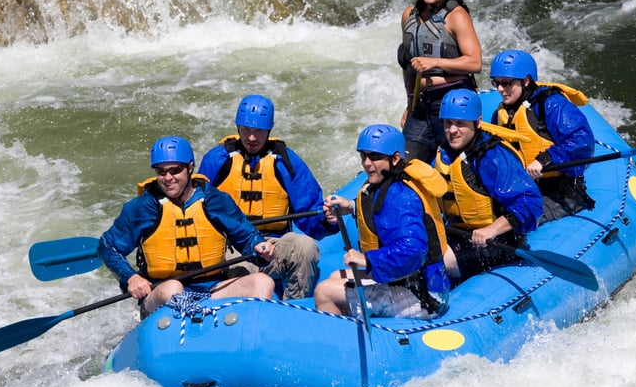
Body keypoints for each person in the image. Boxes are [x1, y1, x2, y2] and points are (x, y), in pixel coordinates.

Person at [97, 136, 276, 316]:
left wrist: (259, 246)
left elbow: (246, 236)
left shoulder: (215, 200)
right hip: (162, 293)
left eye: (175, 170)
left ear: (190, 168)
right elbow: (107, 246)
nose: (168, 178)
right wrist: (131, 277)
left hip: (212, 290)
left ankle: (251, 338)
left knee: (262, 282)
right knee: (174, 288)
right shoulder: (143, 208)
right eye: (161, 172)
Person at [197, 94, 337, 299]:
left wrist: (327, 220)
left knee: (306, 248)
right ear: (238, 128)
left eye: (259, 131)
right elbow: (196, 207)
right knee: (242, 270)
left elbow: (309, 211)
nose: (252, 138)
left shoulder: (286, 161)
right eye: (246, 130)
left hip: (274, 245)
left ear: (269, 130)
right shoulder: (217, 159)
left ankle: (294, 309)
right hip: (231, 246)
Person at [314, 124, 450, 320]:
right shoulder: (389, 183)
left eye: (375, 157)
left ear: (395, 159)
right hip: (403, 283)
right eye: (364, 156)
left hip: (423, 296)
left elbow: (414, 250)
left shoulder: (402, 196)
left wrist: (368, 259)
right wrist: (352, 207)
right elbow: (382, 212)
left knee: (324, 292)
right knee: (337, 276)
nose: (367, 163)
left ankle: (340, 345)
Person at [436, 89, 544, 282]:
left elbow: (530, 202)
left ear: (477, 123)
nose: (452, 130)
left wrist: (492, 230)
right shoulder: (445, 152)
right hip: (457, 232)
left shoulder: (492, 157)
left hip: (498, 242)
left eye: (460, 124)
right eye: (448, 123)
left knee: (437, 261)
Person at [489, 49, 596, 222]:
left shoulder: (552, 104)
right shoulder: (501, 114)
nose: (500, 89)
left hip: (558, 192)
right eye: (497, 83)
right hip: (521, 189)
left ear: (526, 81)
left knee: (513, 222)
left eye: (507, 83)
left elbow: (581, 142)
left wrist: (544, 159)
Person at [398, 0, 483, 165]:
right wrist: (410, 105)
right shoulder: (409, 16)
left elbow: (475, 62)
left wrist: (435, 62)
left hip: (453, 102)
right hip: (421, 105)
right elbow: (409, 67)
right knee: (406, 168)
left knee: (460, 168)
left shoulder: (456, 16)